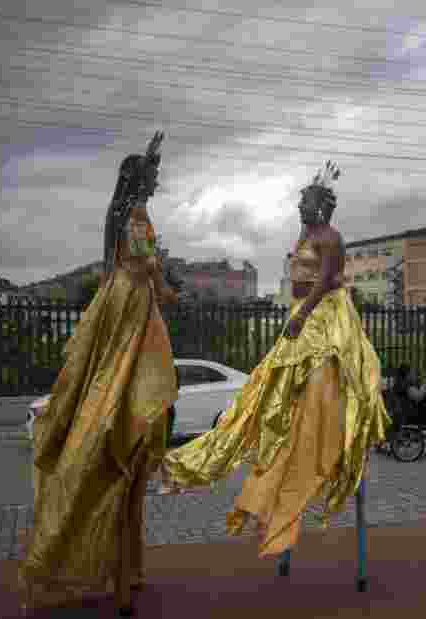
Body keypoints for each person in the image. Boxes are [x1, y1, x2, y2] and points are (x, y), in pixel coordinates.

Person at [161, 162, 390, 557]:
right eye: (301, 199)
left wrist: (302, 314)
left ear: (319, 205)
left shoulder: (332, 237)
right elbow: (303, 265)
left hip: (322, 318)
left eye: (305, 199)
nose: (299, 204)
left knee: (314, 380)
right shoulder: (309, 232)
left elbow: (326, 281)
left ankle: (317, 439)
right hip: (302, 311)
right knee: (272, 387)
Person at [19, 139, 180, 619]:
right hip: (133, 306)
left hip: (123, 300)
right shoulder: (135, 216)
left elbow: (137, 264)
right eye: (152, 175)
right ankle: (121, 576)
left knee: (116, 396)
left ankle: (126, 572)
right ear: (139, 180)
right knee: (125, 400)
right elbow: (146, 264)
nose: (157, 181)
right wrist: (168, 289)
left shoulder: (122, 214)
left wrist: (160, 286)